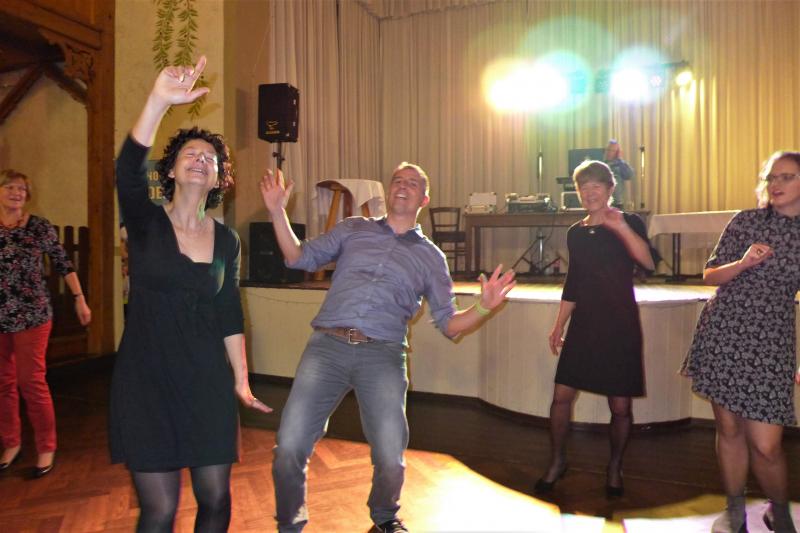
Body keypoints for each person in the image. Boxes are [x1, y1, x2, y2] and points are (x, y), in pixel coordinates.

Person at [260, 162, 516, 532]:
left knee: (390, 455)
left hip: (383, 354)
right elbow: (298, 257)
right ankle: (290, 524)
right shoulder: (353, 228)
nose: (403, 186)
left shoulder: (431, 258)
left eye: (412, 183)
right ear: (388, 189)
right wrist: (276, 212)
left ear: (423, 199)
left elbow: (449, 324)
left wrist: (483, 307)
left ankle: (384, 517)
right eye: (397, 180)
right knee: (289, 445)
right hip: (327, 347)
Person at [109, 56, 271, 532]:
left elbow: (228, 312)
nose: (201, 159)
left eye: (211, 158)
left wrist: (241, 380)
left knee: (216, 501)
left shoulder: (227, 241)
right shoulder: (144, 223)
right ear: (172, 171)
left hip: (206, 382)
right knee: (159, 511)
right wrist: (158, 101)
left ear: (219, 179)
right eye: (190, 154)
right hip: (145, 382)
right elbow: (126, 169)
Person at [682, 151, 800, 533]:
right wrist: (744, 263)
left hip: (771, 342)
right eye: (771, 178)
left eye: (786, 177)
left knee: (766, 445)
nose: (776, 184)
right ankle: (735, 510)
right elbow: (710, 275)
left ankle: (779, 511)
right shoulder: (746, 221)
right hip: (725, 332)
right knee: (729, 429)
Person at [537, 160, 654, 498]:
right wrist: (558, 324)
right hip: (584, 324)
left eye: (596, 186)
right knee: (561, 397)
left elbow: (648, 262)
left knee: (620, 407)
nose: (589, 192)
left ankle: (615, 467)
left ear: (610, 189)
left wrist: (620, 228)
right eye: (583, 187)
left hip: (620, 324)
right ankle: (557, 461)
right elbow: (573, 282)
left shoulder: (629, 221)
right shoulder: (575, 232)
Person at [0, 169, 91, 479]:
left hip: (33, 315)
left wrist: (79, 298)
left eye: (21, 189)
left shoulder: (38, 227)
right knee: (3, 383)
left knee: (31, 382)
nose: (16, 193)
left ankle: (46, 447)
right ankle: (11, 443)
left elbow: (63, 263)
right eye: (9, 187)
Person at [604, 139, 635, 210]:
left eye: (612, 150)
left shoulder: (620, 165)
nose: (609, 152)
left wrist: (620, 160)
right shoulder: (600, 164)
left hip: (617, 203)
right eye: (608, 150)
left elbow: (630, 175)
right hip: (603, 202)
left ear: (617, 153)